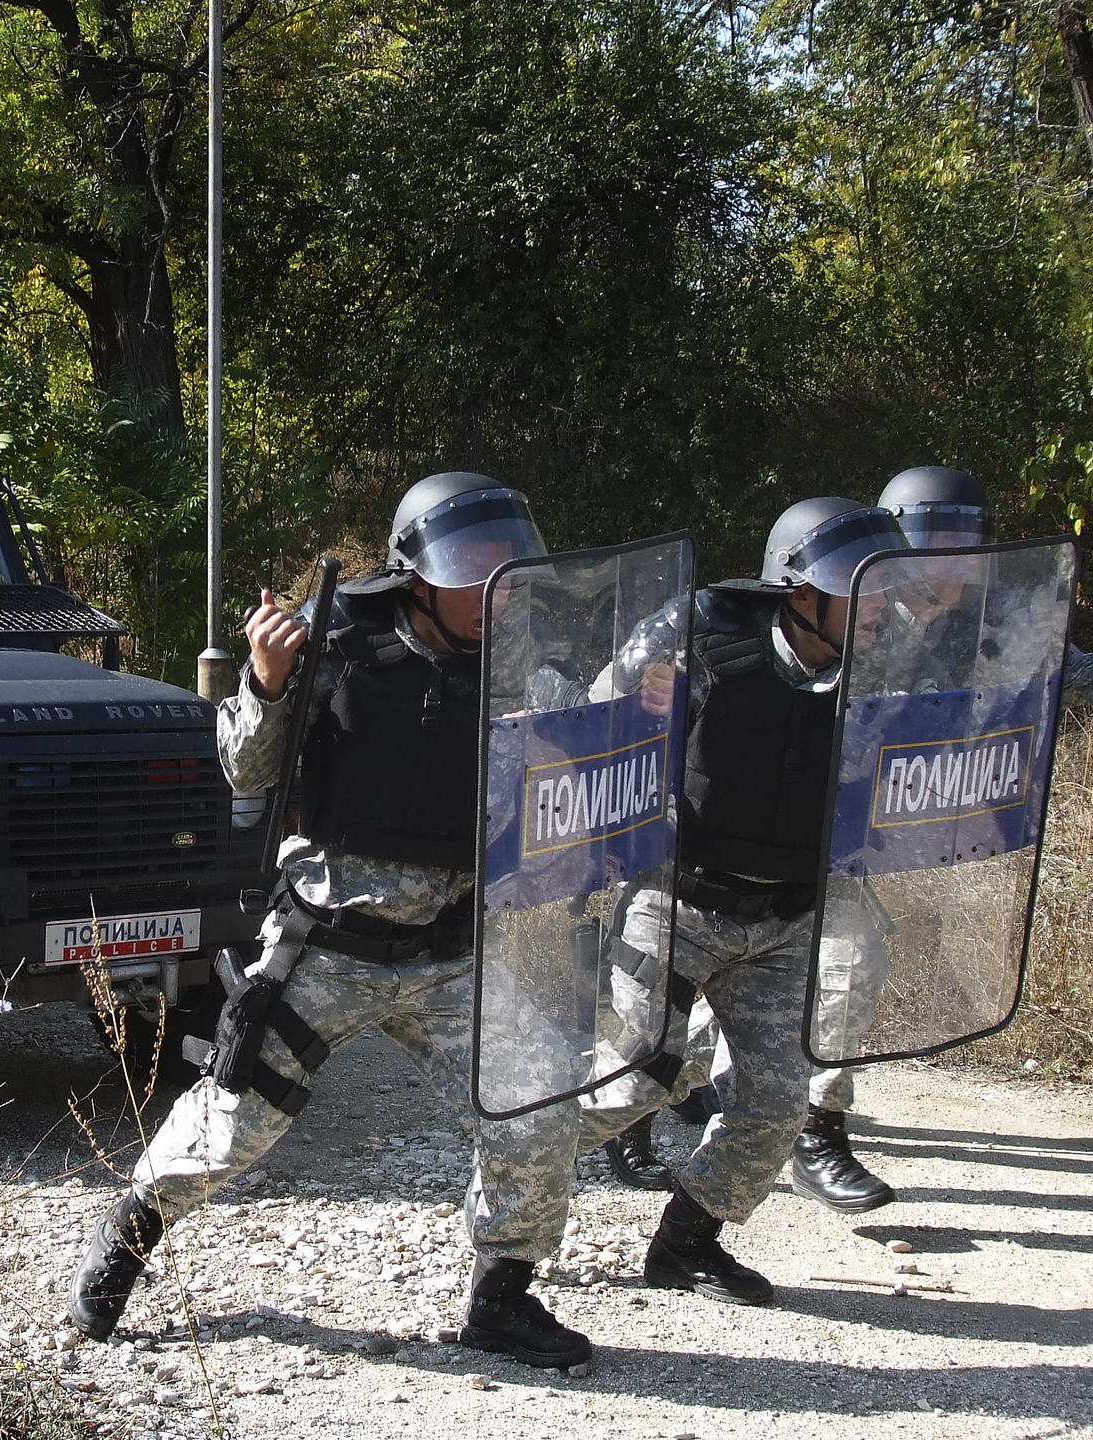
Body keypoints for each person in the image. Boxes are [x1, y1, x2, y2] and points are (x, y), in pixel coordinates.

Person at [66, 471, 594, 1369]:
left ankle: (502, 1298)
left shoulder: (522, 656)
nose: (492, 590)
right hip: (329, 944)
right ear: (417, 576)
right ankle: (125, 1237)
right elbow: (244, 769)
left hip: (450, 950)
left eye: (504, 568)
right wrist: (268, 680)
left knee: (537, 1104)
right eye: (472, 570)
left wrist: (630, 711)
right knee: (234, 1124)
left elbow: (583, 750)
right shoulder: (337, 641)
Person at [606, 466, 1093, 1210]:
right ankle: (643, 1102)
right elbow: (615, 718)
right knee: (691, 1016)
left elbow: (1052, 677)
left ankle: (811, 1132)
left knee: (840, 971)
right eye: (938, 543)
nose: (955, 563)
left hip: (831, 846)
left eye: (968, 544)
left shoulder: (975, 622)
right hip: (713, 853)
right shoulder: (788, 617)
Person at [575, 497, 908, 1303]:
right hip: (676, 904)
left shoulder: (881, 669)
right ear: (802, 594)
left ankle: (685, 1246)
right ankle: (508, 1169)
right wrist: (636, 692)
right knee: (632, 1084)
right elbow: (595, 729)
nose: (884, 607)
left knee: (777, 1107)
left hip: (787, 919)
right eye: (864, 590)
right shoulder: (701, 642)